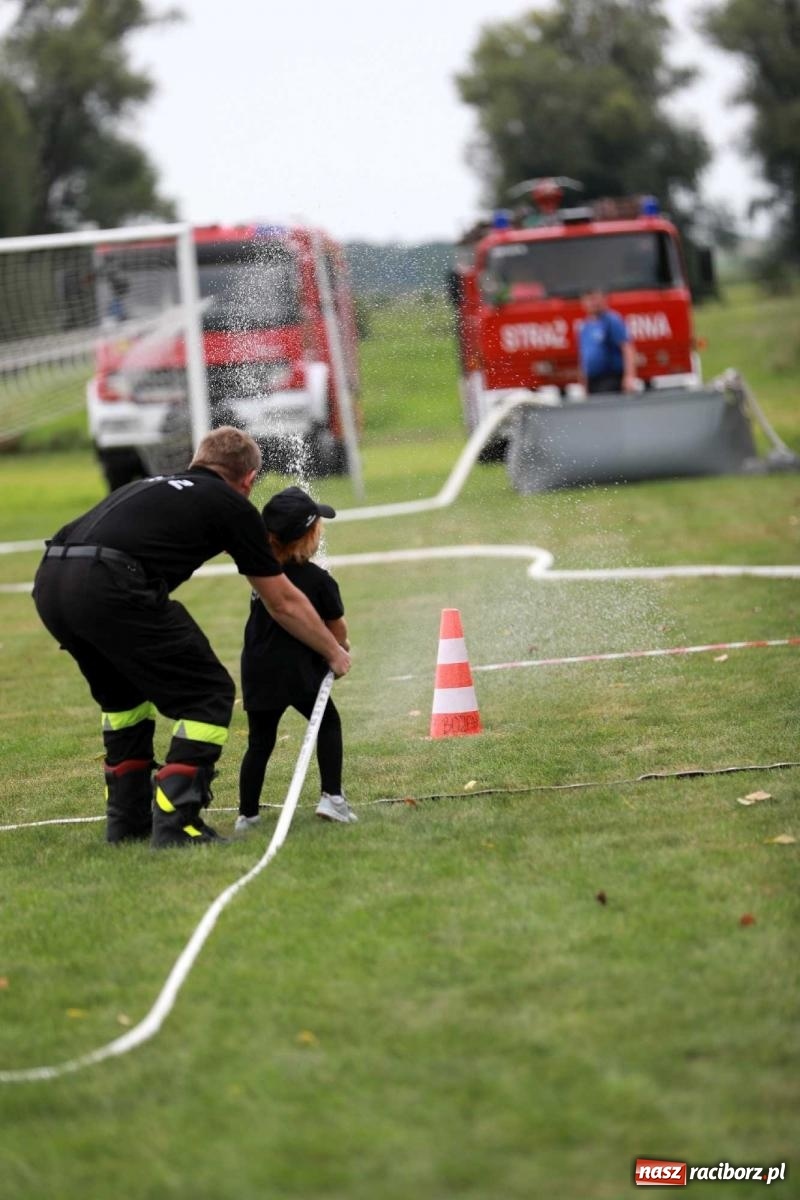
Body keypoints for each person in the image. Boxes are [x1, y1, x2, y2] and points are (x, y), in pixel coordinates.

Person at [32, 428, 350, 849]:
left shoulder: (152, 484)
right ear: (248, 480)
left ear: (198, 461)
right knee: (208, 694)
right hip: (110, 584)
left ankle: (127, 822)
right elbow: (283, 602)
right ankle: (177, 823)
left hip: (51, 580)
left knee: (124, 700)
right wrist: (333, 651)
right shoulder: (231, 504)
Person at [236, 486, 356, 830]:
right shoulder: (319, 580)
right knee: (328, 724)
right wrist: (342, 647)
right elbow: (337, 627)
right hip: (299, 671)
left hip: (258, 669)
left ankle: (247, 815)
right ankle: (332, 798)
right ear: (310, 536)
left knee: (260, 742)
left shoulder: (263, 576)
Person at [578, 289, 638, 394]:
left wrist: (629, 376)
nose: (592, 303)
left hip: (610, 378)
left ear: (603, 300)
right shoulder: (585, 326)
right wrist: (584, 383)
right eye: (588, 300)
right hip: (593, 381)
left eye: (595, 299)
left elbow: (627, 348)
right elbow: (584, 356)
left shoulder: (611, 321)